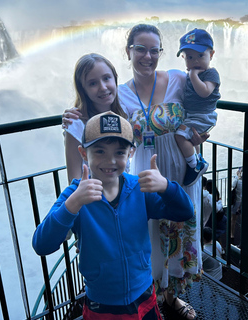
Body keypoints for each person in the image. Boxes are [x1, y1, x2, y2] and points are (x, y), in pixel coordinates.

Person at [32, 112, 194, 320]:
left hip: (144, 294)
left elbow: (185, 212)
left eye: (119, 152)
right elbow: (41, 244)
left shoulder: (139, 188)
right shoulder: (75, 195)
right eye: (99, 151)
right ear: (83, 153)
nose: (110, 161)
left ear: (131, 153)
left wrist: (166, 187)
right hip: (103, 305)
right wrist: (72, 205)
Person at [121, 24, 206, 319]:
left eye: (154, 50)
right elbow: (94, 112)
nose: (148, 56)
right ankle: (153, 297)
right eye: (140, 49)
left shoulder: (179, 80)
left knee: (181, 230)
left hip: (182, 169)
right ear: (128, 51)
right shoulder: (120, 95)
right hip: (146, 169)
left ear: (161, 52)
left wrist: (200, 133)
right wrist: (71, 117)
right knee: (154, 234)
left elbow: (207, 101)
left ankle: (172, 298)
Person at [62, 53, 128, 183]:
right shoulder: (76, 124)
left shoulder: (124, 112)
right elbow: (74, 180)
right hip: (94, 195)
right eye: (93, 83)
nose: (103, 87)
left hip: (124, 193)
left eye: (107, 78)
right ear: (83, 89)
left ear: (115, 79)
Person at [174, 28, 220, 186]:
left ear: (211, 55)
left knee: (180, 135)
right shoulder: (190, 75)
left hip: (203, 115)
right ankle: (198, 159)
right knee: (191, 138)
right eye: (190, 57)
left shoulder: (211, 74)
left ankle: (194, 166)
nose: (195, 61)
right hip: (193, 114)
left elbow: (205, 92)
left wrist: (193, 76)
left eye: (200, 56)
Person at [230, 167, 248, 245]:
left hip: (236, 202)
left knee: (233, 218)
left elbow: (232, 185)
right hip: (244, 203)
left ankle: (232, 235)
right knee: (245, 221)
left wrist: (237, 177)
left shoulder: (237, 180)